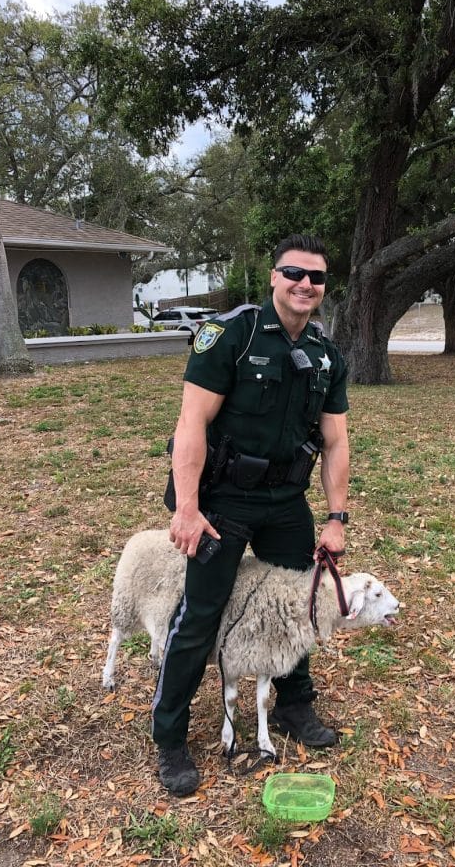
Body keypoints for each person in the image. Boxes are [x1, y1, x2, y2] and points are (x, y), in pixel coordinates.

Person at [152, 234, 350, 795]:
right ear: (273, 277)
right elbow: (191, 423)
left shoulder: (325, 353)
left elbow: (336, 442)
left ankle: (294, 705)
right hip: (224, 502)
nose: (305, 284)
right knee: (202, 613)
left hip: (286, 502)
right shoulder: (231, 334)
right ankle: (170, 735)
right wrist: (187, 509)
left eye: (315, 277)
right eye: (294, 273)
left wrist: (336, 518)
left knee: (299, 602)